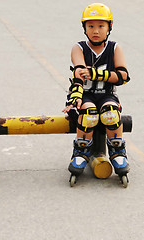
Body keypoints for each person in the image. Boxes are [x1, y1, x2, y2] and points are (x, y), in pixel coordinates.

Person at [62, 3, 130, 186]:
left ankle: (117, 150)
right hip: (86, 95)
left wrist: (97, 74)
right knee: (89, 114)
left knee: (110, 112)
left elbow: (123, 76)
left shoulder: (115, 48)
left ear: (109, 27)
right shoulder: (79, 47)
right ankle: (81, 151)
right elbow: (78, 73)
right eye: (91, 26)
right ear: (84, 28)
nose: (96, 31)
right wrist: (74, 98)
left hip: (107, 94)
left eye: (101, 26)